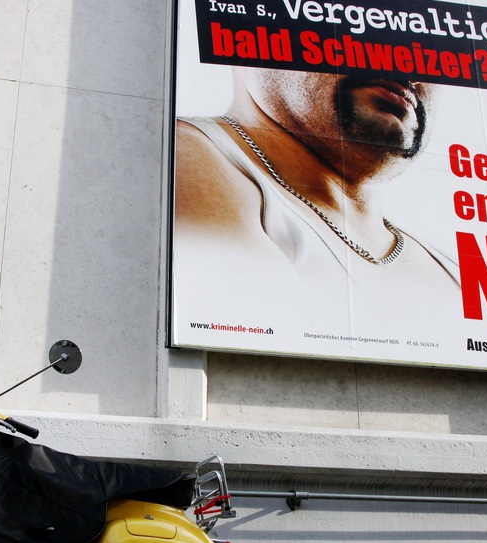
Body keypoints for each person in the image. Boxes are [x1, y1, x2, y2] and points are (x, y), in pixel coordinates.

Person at [172, 67, 461, 339]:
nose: (405, 63)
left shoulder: (452, 272)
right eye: (363, 31)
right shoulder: (183, 153)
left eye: (430, 47)